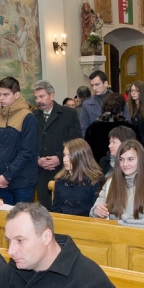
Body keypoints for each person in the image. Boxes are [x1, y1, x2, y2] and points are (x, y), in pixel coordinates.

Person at [0, 77, 38, 205]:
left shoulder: (27, 116)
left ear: (17, 95)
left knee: (22, 216)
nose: (1, 98)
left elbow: (27, 152)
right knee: (2, 217)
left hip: (22, 182)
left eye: (6, 95)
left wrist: (7, 176)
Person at [32, 80, 81, 209]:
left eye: (42, 96)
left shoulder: (69, 114)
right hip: (41, 172)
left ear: (52, 95)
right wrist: (37, 159)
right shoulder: (33, 116)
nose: (38, 100)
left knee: (63, 208)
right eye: (36, 98)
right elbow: (28, 143)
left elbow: (76, 141)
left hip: (64, 169)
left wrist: (60, 157)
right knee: (45, 209)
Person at [90, 139, 144, 221]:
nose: (125, 164)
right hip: (112, 228)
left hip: (136, 229)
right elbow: (94, 210)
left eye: (130, 159)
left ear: (141, 160)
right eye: (121, 159)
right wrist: (97, 211)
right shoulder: (110, 181)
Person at [84, 93, 139, 165]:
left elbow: (87, 151)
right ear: (122, 107)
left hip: (97, 166)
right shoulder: (130, 127)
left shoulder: (92, 128)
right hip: (124, 165)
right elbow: (137, 148)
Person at [51, 138, 101, 216]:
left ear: (80, 157)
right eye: (64, 155)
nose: (65, 160)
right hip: (64, 221)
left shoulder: (94, 180)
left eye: (69, 156)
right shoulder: (60, 179)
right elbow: (55, 210)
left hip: (85, 222)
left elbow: (96, 212)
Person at [79, 70, 115, 136]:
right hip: (95, 140)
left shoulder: (119, 101)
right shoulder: (86, 104)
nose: (94, 88)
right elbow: (83, 129)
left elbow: (127, 126)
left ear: (105, 83)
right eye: (92, 85)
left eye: (97, 85)